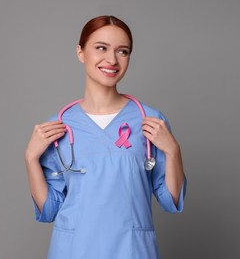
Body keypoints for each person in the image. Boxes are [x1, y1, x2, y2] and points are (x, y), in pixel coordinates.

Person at [24, 15, 186, 259]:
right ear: (80, 52)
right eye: (101, 48)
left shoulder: (150, 121)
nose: (112, 60)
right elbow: (48, 210)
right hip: (73, 250)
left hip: (131, 250)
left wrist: (173, 151)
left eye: (123, 51)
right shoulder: (56, 128)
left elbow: (171, 202)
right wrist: (30, 159)